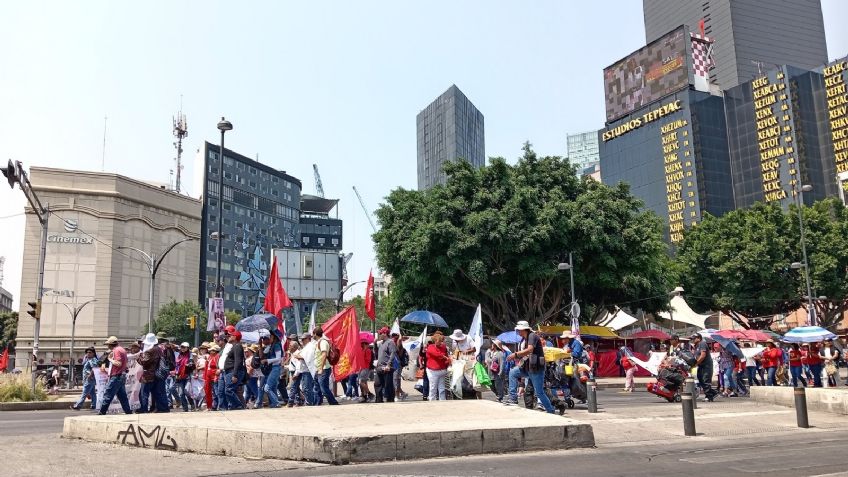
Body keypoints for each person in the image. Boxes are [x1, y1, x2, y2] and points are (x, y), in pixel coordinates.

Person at [505, 321, 556, 414]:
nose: (517, 332)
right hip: (527, 367)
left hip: (536, 369)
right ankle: (513, 398)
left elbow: (530, 349)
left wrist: (515, 355)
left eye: (518, 330)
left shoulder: (532, 336)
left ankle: (551, 410)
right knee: (512, 372)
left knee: (539, 392)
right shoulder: (524, 339)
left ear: (524, 329)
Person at [98, 336, 133, 415]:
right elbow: (125, 364)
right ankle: (128, 411)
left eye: (108, 345)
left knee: (108, 393)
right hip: (121, 375)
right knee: (122, 396)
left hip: (116, 376)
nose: (107, 346)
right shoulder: (122, 350)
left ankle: (102, 411)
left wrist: (110, 359)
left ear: (111, 344)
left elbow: (118, 363)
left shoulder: (116, 351)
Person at [313, 326, 339, 405]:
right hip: (319, 368)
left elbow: (324, 355)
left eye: (313, 334)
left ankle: (333, 402)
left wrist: (321, 368)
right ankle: (317, 403)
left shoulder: (323, 342)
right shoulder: (319, 342)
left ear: (315, 334)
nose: (312, 336)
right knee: (317, 388)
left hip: (323, 368)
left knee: (323, 388)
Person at [257, 331, 284, 408]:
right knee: (273, 388)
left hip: (275, 368)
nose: (269, 338)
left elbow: (278, 359)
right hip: (273, 368)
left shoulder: (276, 346)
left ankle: (276, 402)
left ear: (274, 337)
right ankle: (274, 403)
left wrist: (267, 360)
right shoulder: (272, 346)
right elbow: (262, 354)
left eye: (270, 336)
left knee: (267, 388)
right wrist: (259, 344)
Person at [689, 333, 717, 401]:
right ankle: (713, 392)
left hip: (706, 365)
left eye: (694, 338)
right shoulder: (696, 346)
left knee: (705, 380)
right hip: (701, 365)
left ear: (698, 338)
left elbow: (703, 355)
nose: (692, 340)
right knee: (700, 378)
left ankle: (709, 397)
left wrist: (696, 363)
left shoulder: (702, 343)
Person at [222, 330, 245, 410]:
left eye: (230, 335)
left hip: (233, 371)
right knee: (230, 390)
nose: (228, 337)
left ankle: (239, 405)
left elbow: (238, 361)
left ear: (235, 337)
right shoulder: (235, 346)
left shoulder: (237, 346)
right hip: (230, 371)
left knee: (228, 390)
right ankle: (234, 406)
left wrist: (235, 374)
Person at [425, 331, 451, 401]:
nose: (441, 343)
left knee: (442, 387)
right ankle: (431, 400)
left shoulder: (443, 347)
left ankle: (442, 400)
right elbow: (437, 354)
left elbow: (446, 355)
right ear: (435, 341)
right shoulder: (430, 347)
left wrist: (447, 361)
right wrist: (445, 357)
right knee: (433, 387)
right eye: (439, 341)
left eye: (442, 341)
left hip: (442, 370)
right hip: (433, 371)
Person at [374, 326, 397, 403]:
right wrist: (374, 343)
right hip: (380, 367)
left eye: (380, 333)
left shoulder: (390, 342)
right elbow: (376, 353)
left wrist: (389, 364)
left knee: (388, 385)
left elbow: (392, 353)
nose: (379, 334)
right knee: (377, 384)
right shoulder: (381, 344)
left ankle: (390, 399)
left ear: (385, 333)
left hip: (387, 367)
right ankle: (378, 399)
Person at [174, 342, 195, 412]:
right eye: (182, 347)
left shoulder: (190, 355)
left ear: (187, 348)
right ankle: (185, 407)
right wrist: (176, 374)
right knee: (181, 393)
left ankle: (192, 404)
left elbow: (192, 363)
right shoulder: (179, 355)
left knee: (186, 391)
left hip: (187, 376)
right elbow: (177, 365)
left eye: (184, 347)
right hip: (179, 376)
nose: (182, 348)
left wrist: (190, 364)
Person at [392, 331, 409, 401]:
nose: (393, 337)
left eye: (394, 336)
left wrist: (399, 338)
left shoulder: (399, 345)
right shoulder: (394, 343)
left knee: (396, 380)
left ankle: (398, 395)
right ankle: (402, 393)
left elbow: (398, 351)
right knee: (395, 380)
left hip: (397, 365)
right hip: (395, 365)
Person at [204, 344, 220, 411]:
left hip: (214, 376)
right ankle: (211, 406)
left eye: (212, 350)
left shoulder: (217, 357)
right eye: (210, 350)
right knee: (209, 391)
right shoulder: (209, 357)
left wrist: (216, 376)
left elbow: (218, 367)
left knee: (216, 392)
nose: (210, 351)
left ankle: (218, 405)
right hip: (208, 376)